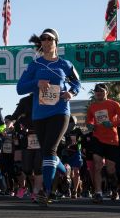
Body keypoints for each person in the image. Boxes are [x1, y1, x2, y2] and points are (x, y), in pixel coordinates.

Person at [16, 28, 81, 205]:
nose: (46, 42)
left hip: (60, 112)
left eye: (49, 39)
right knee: (47, 152)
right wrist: (37, 83)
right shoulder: (34, 65)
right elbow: (20, 88)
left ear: (56, 43)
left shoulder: (65, 64)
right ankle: (63, 171)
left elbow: (77, 82)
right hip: (40, 114)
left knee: (49, 150)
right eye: (43, 39)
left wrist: (71, 93)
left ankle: (46, 191)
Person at [86, 83, 120, 203]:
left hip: (111, 140)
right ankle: (98, 193)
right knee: (98, 165)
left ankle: (114, 189)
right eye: (97, 91)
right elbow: (89, 121)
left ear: (106, 92)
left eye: (101, 91)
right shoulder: (92, 106)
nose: (99, 93)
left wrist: (112, 124)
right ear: (95, 93)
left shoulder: (114, 104)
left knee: (110, 170)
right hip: (97, 139)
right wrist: (90, 126)